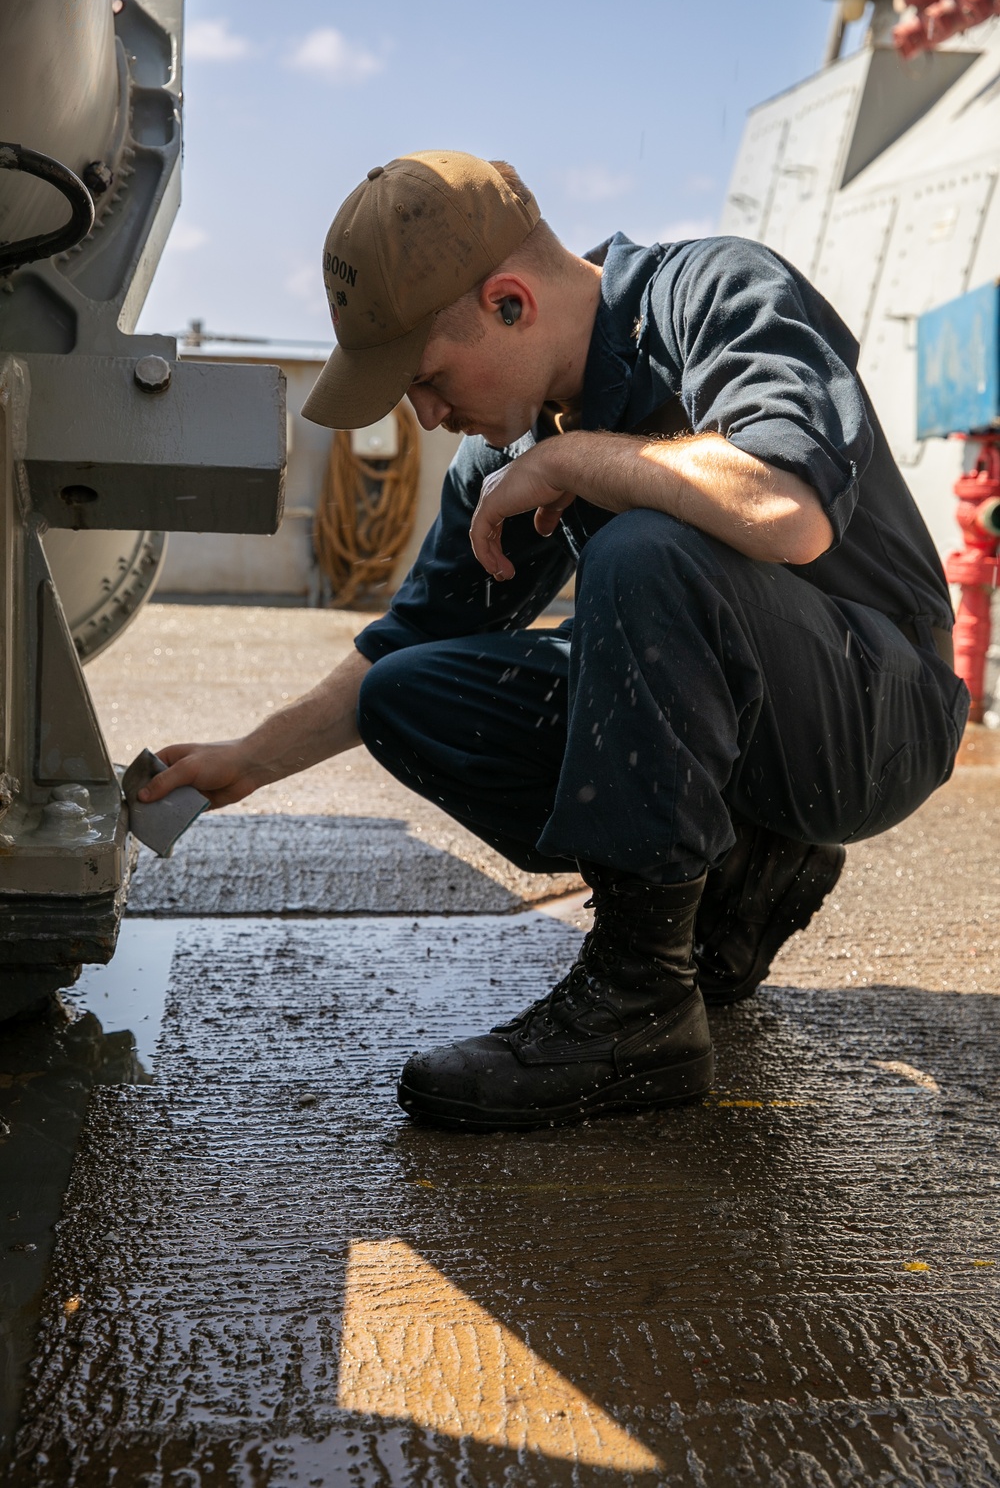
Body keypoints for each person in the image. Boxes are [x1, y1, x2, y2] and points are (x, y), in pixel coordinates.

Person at [140, 150, 968, 1132]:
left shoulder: (715, 291)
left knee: (645, 550)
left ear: (508, 303)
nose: (428, 416)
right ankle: (737, 876)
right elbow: (409, 636)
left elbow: (783, 506)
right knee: (404, 694)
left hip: (873, 714)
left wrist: (582, 459)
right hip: (751, 722)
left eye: (428, 379)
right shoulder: (503, 451)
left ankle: (636, 1000)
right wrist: (245, 760)